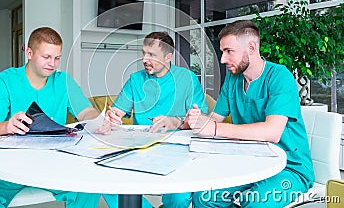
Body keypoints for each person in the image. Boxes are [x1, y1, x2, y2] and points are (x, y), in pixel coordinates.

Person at [0, 27, 101, 208]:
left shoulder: (63, 81)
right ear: (29, 53)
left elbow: (85, 112)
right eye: (46, 57)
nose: (52, 64)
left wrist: (99, 120)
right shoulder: (5, 81)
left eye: (57, 58)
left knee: (90, 185)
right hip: (9, 163)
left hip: (55, 162)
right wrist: (6, 126)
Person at [187, 20, 314, 207]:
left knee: (254, 202)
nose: (222, 59)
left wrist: (213, 128)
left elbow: (272, 132)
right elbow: (214, 119)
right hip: (249, 162)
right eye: (222, 52)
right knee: (204, 197)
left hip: (289, 168)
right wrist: (196, 119)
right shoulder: (233, 78)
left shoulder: (279, 76)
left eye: (229, 51)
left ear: (252, 48)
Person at [98, 31, 209, 208]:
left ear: (168, 56)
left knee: (179, 197)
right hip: (140, 149)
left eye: (151, 55)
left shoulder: (187, 79)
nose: (144, 59)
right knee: (105, 180)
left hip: (177, 150)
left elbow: (201, 119)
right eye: (143, 53)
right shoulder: (136, 79)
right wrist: (112, 119)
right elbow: (117, 111)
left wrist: (176, 121)